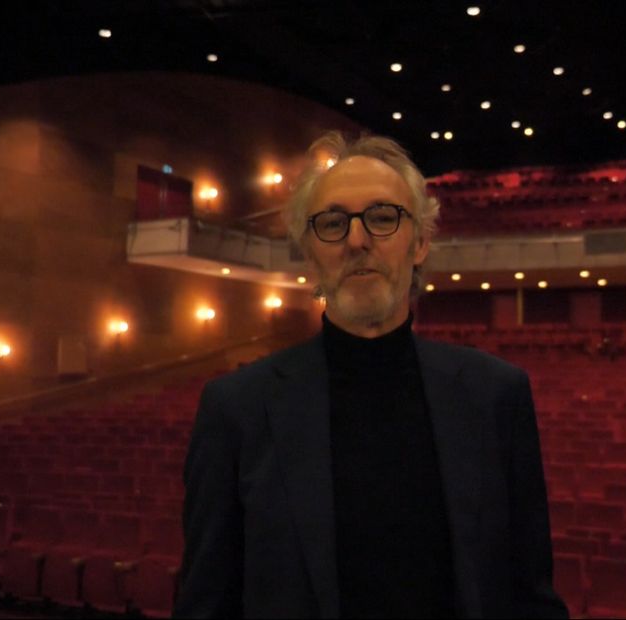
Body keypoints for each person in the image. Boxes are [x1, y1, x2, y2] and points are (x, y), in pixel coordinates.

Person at [175, 131, 568, 619]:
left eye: (383, 218)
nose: (357, 241)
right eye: (333, 223)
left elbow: (530, 596)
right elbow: (206, 603)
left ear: (420, 242)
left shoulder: (498, 396)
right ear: (310, 251)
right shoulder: (235, 409)